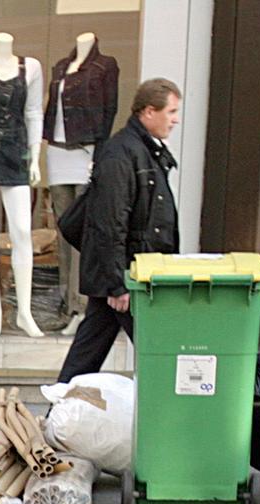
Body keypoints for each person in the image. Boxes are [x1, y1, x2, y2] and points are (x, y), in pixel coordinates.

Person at [56, 78, 183, 382]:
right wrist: (117, 282)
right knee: (164, 353)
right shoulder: (121, 153)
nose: (176, 119)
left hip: (132, 275)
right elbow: (109, 221)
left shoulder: (146, 151)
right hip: (128, 278)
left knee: (88, 352)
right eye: (172, 112)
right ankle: (175, 418)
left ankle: (56, 415)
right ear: (149, 112)